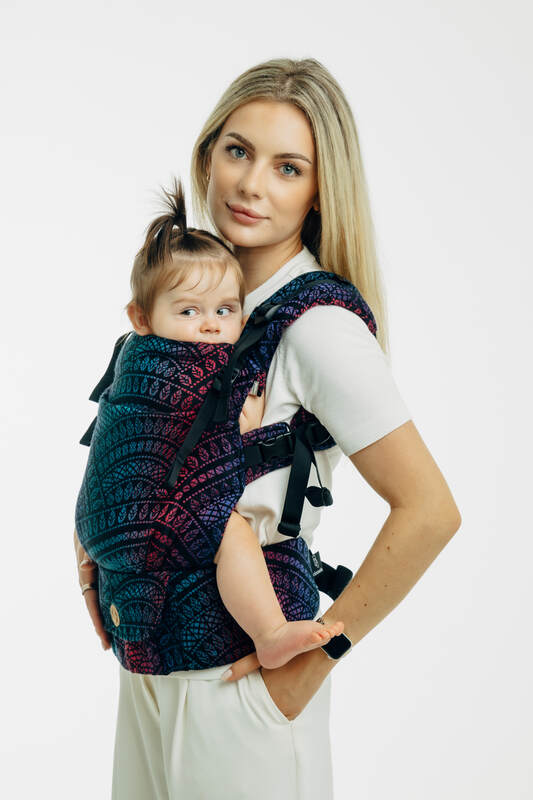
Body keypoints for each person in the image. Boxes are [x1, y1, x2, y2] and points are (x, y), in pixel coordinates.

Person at [74, 57, 461, 799]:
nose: (251, 184)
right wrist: (95, 556)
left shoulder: (317, 324)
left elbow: (430, 511)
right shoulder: (190, 300)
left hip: (243, 683)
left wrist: (314, 663)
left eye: (288, 168)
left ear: (319, 191)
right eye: (238, 151)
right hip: (150, 664)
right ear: (208, 155)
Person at [77, 175, 345, 671]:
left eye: (225, 309)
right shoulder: (179, 366)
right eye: (189, 310)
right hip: (153, 519)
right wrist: (247, 429)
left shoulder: (129, 357)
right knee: (229, 530)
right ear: (141, 318)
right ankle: (269, 631)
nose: (209, 323)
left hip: (110, 539)